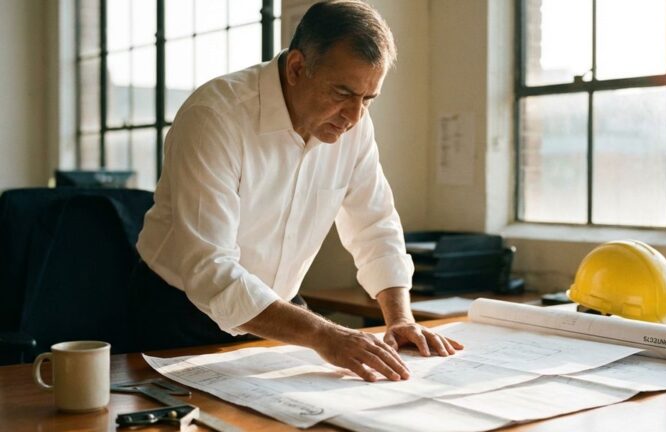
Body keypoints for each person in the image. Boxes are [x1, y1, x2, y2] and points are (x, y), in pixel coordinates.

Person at [131, 0, 462, 382]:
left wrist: (400, 318)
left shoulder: (353, 126)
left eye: (367, 99)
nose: (354, 117)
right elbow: (210, 270)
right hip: (179, 314)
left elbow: (375, 224)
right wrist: (324, 334)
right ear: (297, 68)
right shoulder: (214, 117)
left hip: (279, 314)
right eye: (342, 92)